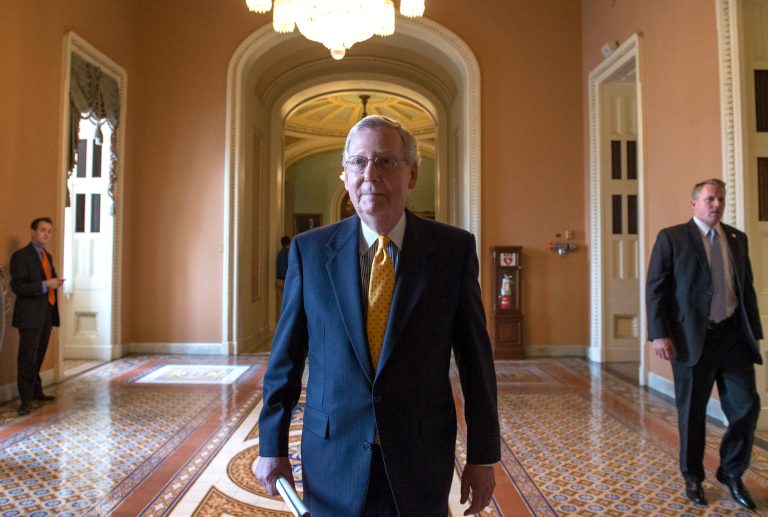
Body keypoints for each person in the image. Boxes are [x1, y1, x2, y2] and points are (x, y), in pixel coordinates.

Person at [255, 115, 500, 516]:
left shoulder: (452, 252)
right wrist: (271, 446)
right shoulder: (310, 252)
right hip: (332, 454)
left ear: (412, 174)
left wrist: (483, 455)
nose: (370, 175)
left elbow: (476, 362)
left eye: (386, 161)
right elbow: (284, 360)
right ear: (345, 174)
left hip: (420, 454)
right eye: (358, 162)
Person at [646, 179, 762, 510]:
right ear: (694, 203)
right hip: (691, 340)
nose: (716, 204)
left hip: (733, 338)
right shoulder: (673, 237)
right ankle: (693, 477)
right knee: (692, 413)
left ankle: (731, 472)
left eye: (720, 199)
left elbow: (746, 289)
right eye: (710, 199)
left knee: (746, 406)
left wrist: (753, 332)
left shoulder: (737, 239)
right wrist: (659, 332)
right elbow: (656, 287)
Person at [10, 217, 63, 416]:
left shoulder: (46, 256)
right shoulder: (21, 256)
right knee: (27, 358)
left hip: (46, 314)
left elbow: (49, 280)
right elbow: (18, 287)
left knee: (39, 355)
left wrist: (55, 283)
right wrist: (45, 285)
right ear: (33, 232)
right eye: (42, 230)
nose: (46, 234)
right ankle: (25, 400)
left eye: (49, 231)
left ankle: (36, 390)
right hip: (29, 316)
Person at [275, 235, 290, 321]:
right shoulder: (288, 253)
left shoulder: (279, 254)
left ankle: (279, 324)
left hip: (278, 280)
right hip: (285, 281)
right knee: (288, 304)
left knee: (279, 304)